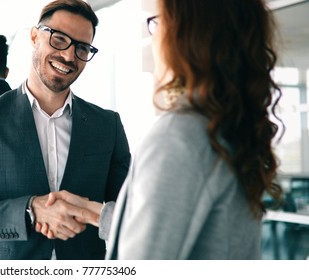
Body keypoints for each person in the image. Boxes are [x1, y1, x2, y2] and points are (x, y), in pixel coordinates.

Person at [0, 0, 131, 260]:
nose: (68, 56)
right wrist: (31, 210)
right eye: (58, 39)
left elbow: (129, 213)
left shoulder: (107, 125)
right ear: (34, 36)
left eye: (82, 48)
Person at [105, 0, 284, 259]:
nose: (153, 39)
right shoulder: (227, 129)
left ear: (185, 35)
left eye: (158, 23)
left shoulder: (178, 137)